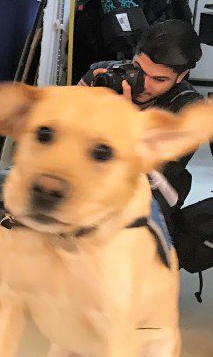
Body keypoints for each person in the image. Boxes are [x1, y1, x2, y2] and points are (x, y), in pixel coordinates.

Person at [81, 19, 204, 222]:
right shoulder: (103, 74)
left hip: (148, 194)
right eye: (139, 69)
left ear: (181, 76)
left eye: (159, 79)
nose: (144, 85)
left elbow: (152, 177)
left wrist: (124, 122)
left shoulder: (189, 109)